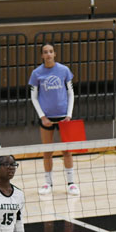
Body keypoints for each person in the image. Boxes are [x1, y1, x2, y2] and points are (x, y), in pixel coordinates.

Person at [29, 42, 79, 196]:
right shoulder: (36, 73)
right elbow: (34, 97)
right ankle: (48, 183)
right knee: (47, 151)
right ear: (42, 55)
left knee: (67, 151)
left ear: (54, 54)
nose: (48, 54)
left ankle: (71, 183)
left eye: (51, 51)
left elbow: (71, 93)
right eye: (45, 52)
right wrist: (42, 116)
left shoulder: (64, 70)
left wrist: (69, 114)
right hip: (47, 118)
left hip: (64, 117)